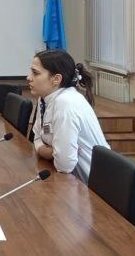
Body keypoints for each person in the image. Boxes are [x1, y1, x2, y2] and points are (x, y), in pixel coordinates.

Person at [26, 49, 108, 183]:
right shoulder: (45, 98)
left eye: (35, 73)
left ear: (56, 79)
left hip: (95, 188)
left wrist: (53, 152)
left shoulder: (66, 103)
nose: (29, 77)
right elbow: (37, 137)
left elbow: (64, 166)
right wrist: (51, 152)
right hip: (73, 180)